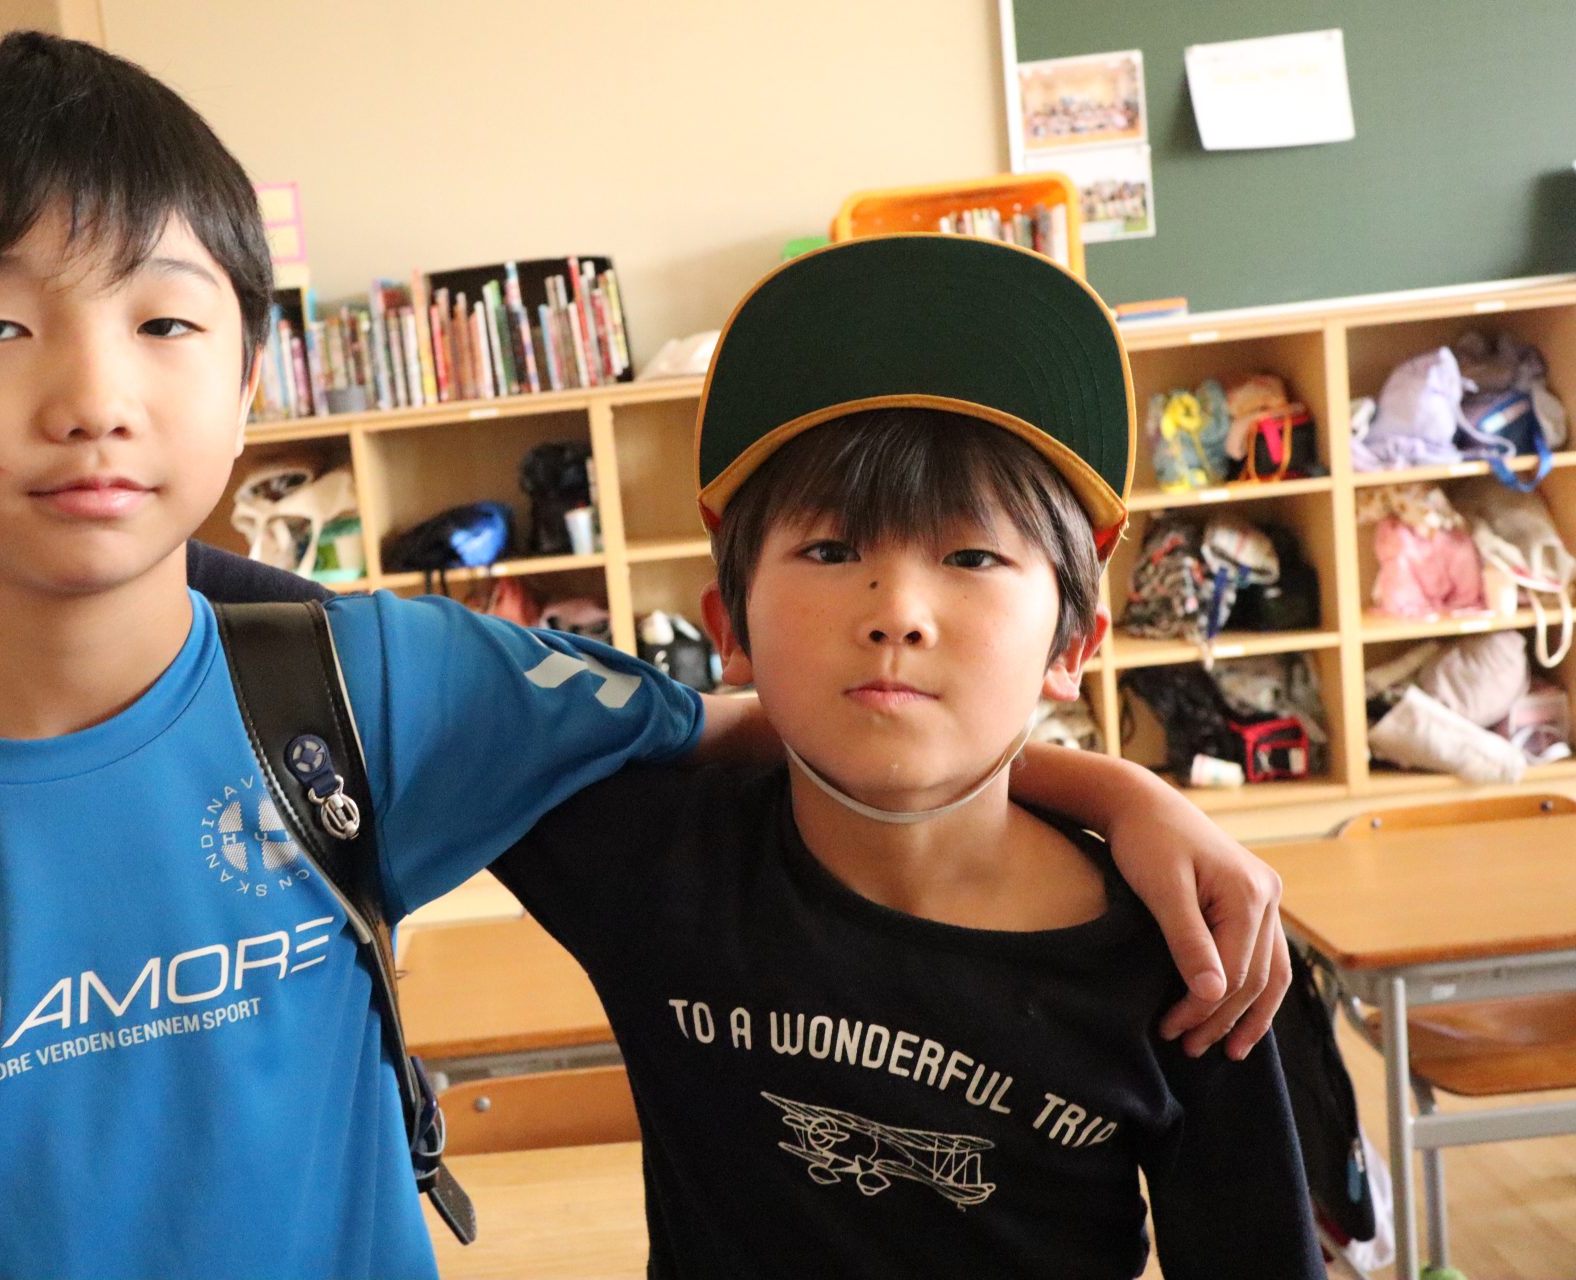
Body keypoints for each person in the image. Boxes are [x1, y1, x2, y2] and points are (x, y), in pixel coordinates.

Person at [0, 32, 1285, 1280]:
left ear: (247, 381)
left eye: (161, 322)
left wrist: (1121, 795)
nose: (92, 398)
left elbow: (806, 720)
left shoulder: (381, 693)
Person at [483, 236, 1322, 1276]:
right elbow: (345, 657)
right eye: (831, 550)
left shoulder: (1186, 954)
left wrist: (1121, 795)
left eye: (972, 554)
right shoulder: (657, 865)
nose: (899, 614)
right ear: (729, 627)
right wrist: (1113, 785)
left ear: (1073, 646)